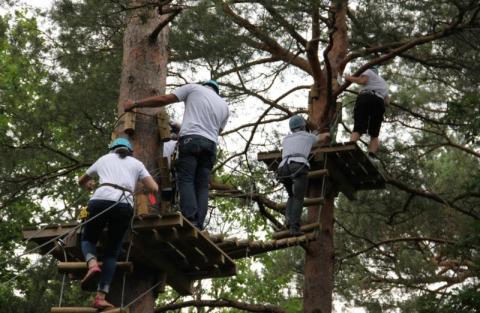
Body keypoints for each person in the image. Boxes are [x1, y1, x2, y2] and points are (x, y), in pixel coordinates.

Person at [123, 80, 229, 230]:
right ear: (216, 91)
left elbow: (163, 100)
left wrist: (135, 104)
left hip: (191, 140)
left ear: (205, 85)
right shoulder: (224, 106)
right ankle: (199, 224)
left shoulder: (193, 88)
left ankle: (190, 220)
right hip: (211, 146)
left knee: (186, 179)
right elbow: (218, 131)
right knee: (202, 185)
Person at [78, 138, 158, 309]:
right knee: (112, 253)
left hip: (99, 199)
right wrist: (141, 186)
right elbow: (154, 188)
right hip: (123, 204)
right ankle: (100, 296)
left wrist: (89, 184)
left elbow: (81, 180)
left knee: (88, 239)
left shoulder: (103, 159)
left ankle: (91, 263)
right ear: (129, 151)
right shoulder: (136, 163)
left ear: (112, 149)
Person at [277, 115, 329, 236]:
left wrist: (312, 135)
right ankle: (294, 228)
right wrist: (325, 133)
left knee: (291, 195)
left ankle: (288, 222)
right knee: (298, 198)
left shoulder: (286, 139)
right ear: (303, 126)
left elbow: (301, 140)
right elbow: (324, 137)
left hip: (283, 168)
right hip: (298, 165)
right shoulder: (309, 136)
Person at [344, 65, 390, 158]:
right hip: (379, 102)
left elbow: (362, 81)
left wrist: (348, 77)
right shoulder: (384, 83)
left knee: (359, 126)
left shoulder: (368, 71)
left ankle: (350, 146)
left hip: (366, 98)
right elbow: (387, 102)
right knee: (374, 132)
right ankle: (371, 153)